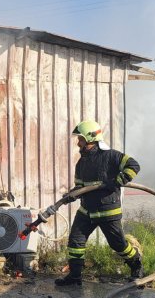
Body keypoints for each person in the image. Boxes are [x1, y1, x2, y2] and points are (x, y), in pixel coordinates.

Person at [55, 120, 143, 286]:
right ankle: (75, 277)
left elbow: (133, 165)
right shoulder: (81, 163)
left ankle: (136, 265)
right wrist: (72, 194)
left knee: (118, 244)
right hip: (86, 211)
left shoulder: (111, 156)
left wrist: (118, 180)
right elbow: (80, 186)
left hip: (107, 211)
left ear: (89, 139)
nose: (78, 142)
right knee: (75, 242)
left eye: (80, 139)